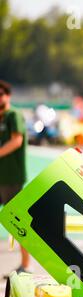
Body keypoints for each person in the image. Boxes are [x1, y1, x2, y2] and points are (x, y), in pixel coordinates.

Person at [0, 80, 31, 275]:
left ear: (8, 96)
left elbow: (17, 140)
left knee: (16, 221)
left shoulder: (13, 115)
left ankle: (26, 265)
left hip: (12, 178)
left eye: (1, 94)